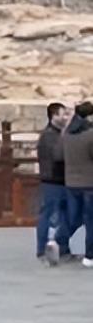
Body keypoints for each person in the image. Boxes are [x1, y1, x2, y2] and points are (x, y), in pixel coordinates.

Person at [36, 102, 71, 265]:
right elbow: (57, 156)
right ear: (54, 116)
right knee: (48, 214)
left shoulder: (58, 134)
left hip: (62, 180)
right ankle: (42, 249)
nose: (66, 118)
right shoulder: (49, 135)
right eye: (63, 114)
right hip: (52, 180)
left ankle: (62, 248)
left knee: (65, 215)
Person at [62, 101, 93, 267]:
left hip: (71, 182)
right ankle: (90, 255)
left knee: (72, 217)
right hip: (89, 183)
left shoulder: (67, 134)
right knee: (90, 221)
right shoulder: (90, 135)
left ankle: (59, 243)